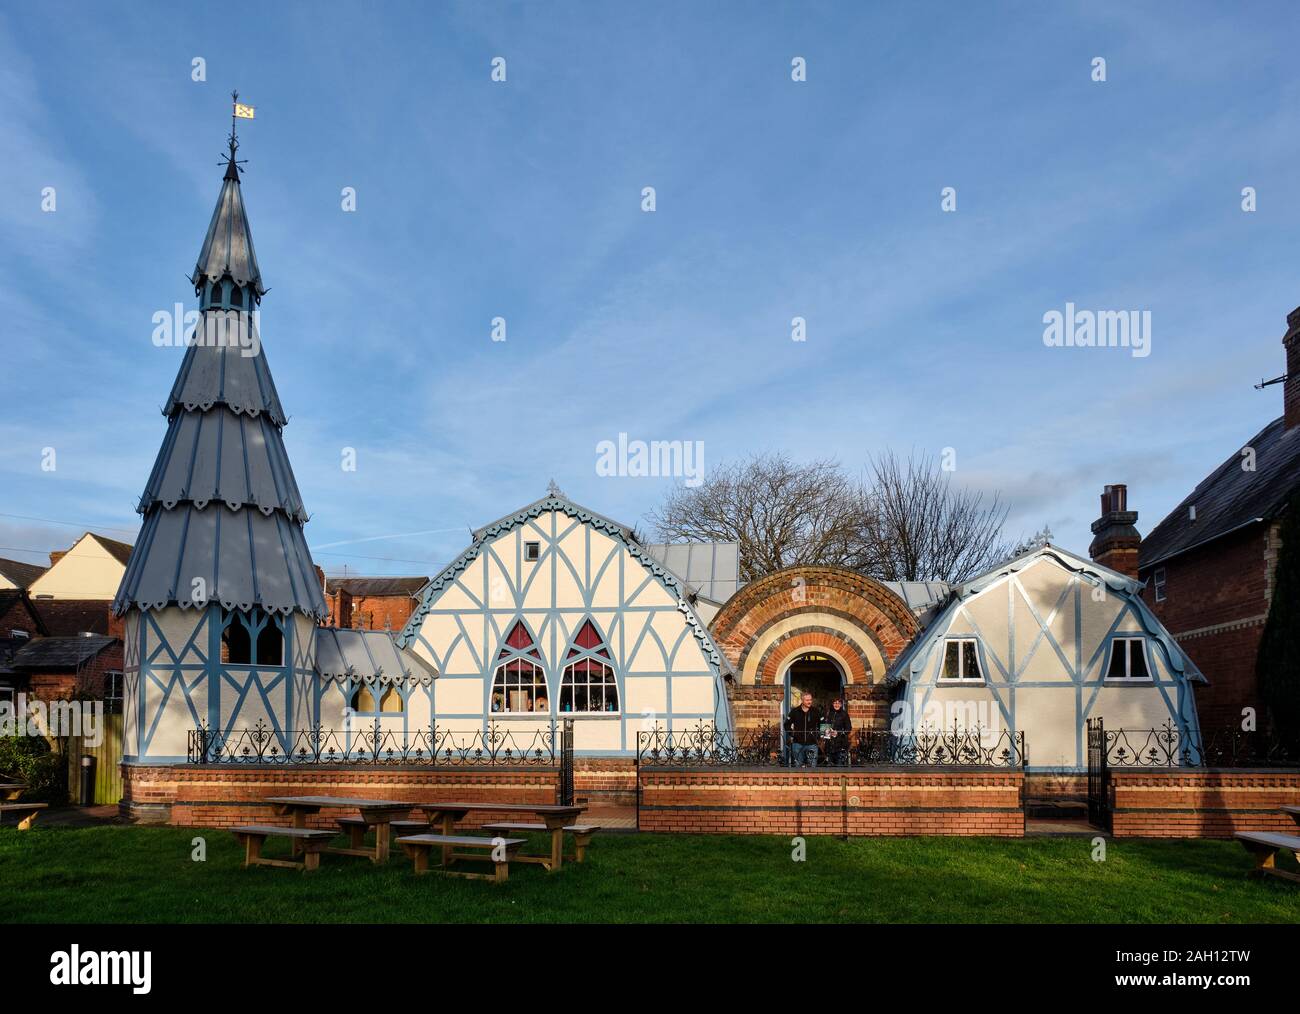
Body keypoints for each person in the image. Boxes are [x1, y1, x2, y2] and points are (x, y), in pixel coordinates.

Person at [785, 691, 822, 768]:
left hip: (812, 743)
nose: (809, 702)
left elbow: (822, 724)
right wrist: (792, 734)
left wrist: (818, 735)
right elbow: (787, 724)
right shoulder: (795, 711)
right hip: (797, 743)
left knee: (812, 767)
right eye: (807, 700)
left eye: (810, 700)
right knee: (798, 767)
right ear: (802, 700)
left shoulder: (816, 711)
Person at [823, 696, 852, 765]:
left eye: (839, 703)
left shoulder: (844, 714)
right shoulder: (828, 713)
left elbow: (848, 729)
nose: (837, 705)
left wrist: (838, 733)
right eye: (835, 703)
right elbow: (824, 727)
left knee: (839, 767)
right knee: (829, 767)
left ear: (841, 704)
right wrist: (826, 732)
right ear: (832, 704)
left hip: (840, 744)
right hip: (829, 744)